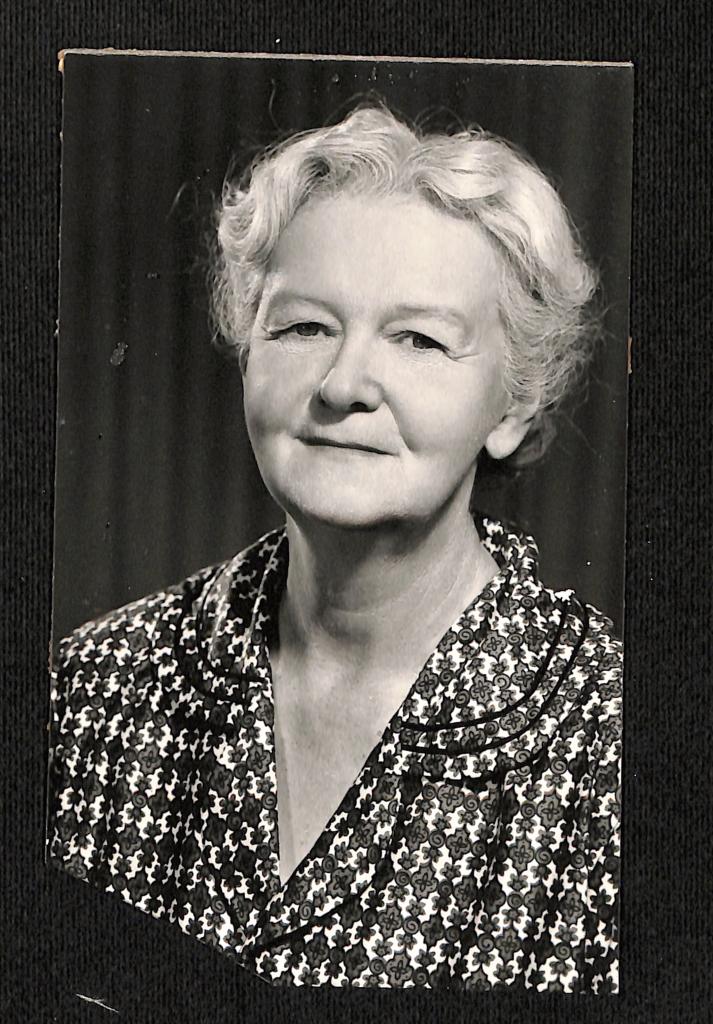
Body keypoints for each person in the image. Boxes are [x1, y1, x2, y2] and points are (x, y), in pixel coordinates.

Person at [47, 104, 622, 992]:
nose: (344, 385)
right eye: (304, 327)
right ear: (247, 351)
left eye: (419, 339)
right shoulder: (87, 693)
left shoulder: (617, 745)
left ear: (513, 405)